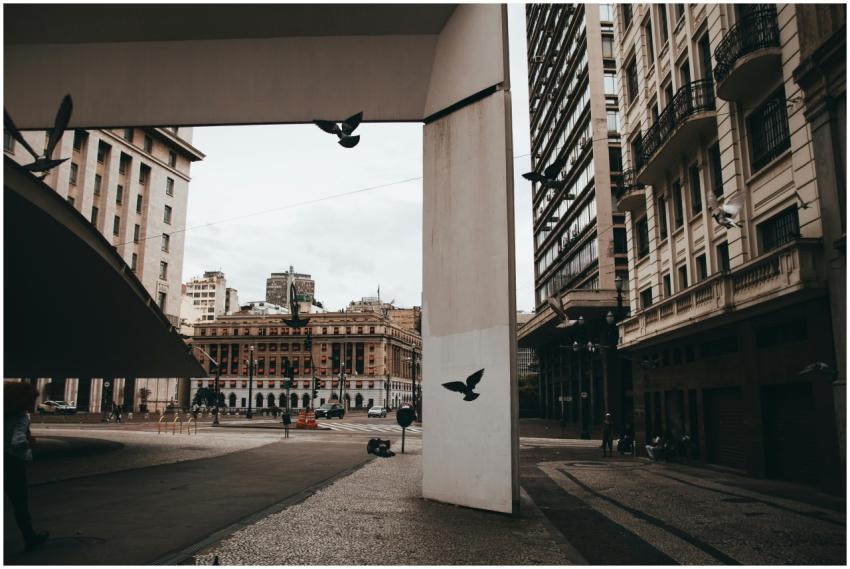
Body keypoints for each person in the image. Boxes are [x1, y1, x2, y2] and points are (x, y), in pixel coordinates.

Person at [4, 381, 49, 551]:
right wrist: (29, 442)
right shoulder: (21, 417)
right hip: (11, 464)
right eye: (32, 400)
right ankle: (30, 537)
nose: (34, 404)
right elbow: (18, 442)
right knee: (19, 504)